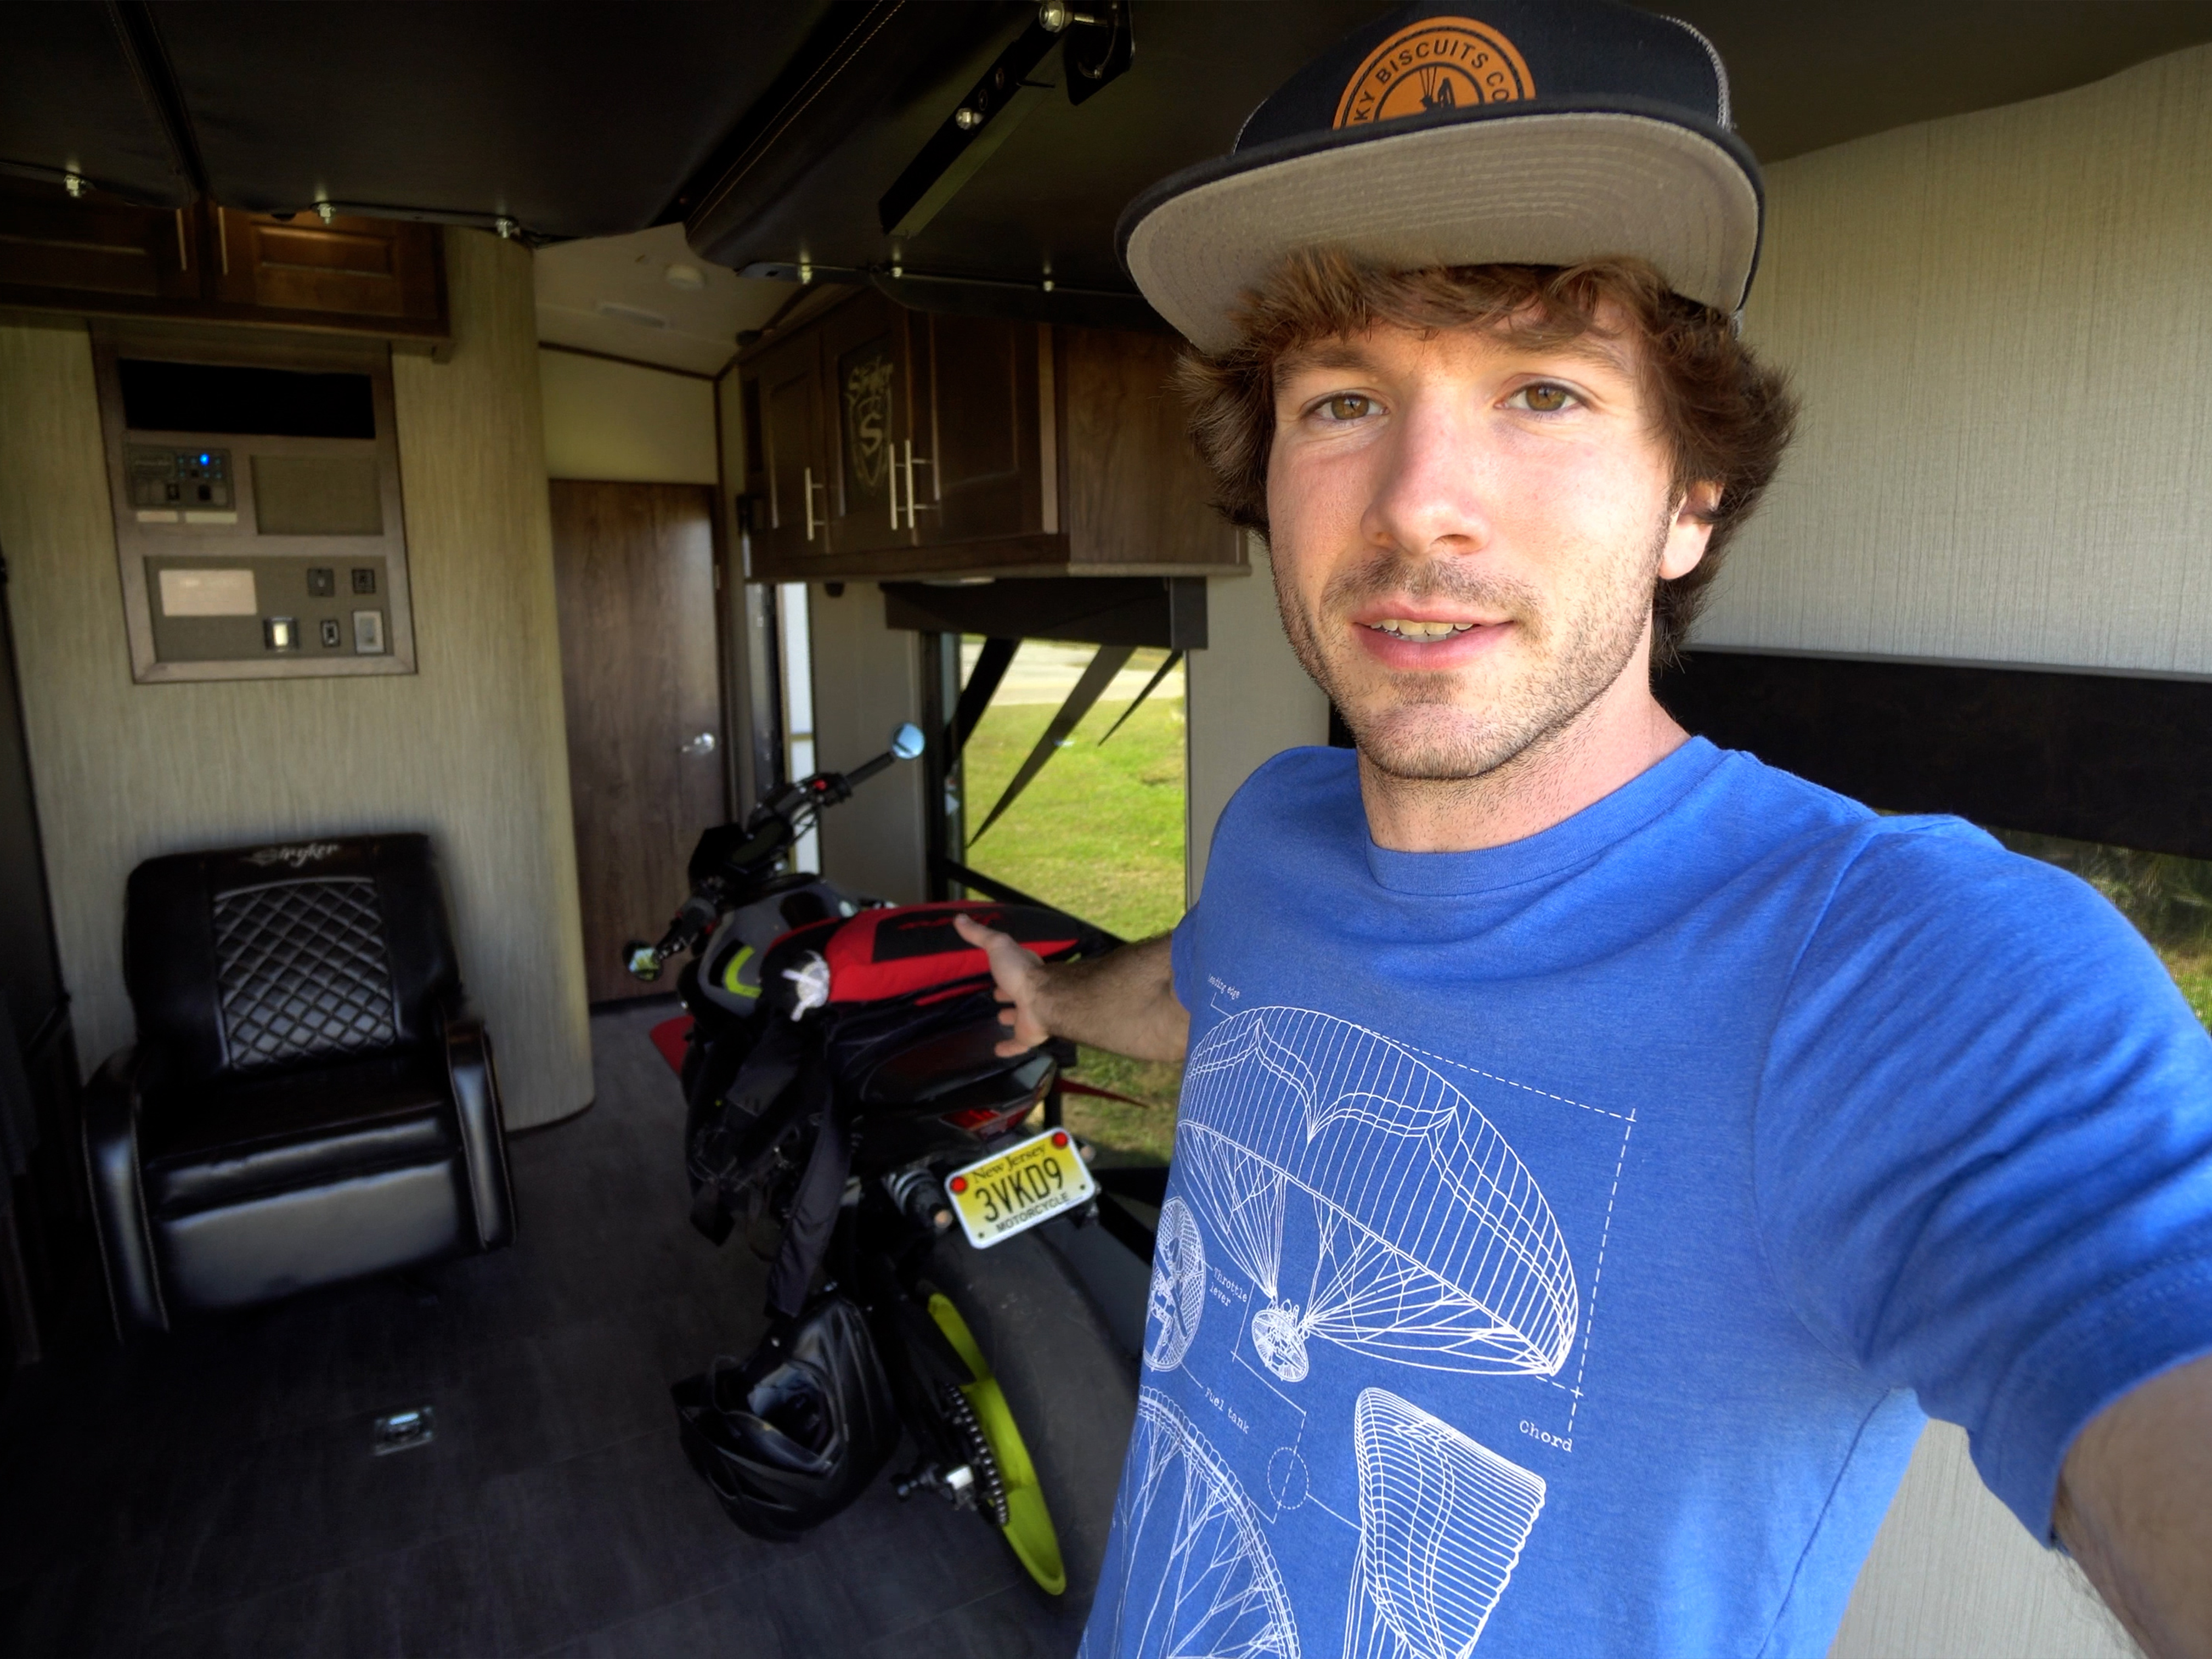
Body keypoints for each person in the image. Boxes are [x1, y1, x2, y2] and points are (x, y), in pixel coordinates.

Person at [952, 2, 2212, 1654]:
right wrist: (1052, 1002)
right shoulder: (1276, 833)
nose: (1417, 501)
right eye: (1341, 401)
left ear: (1691, 500)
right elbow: (1209, 986)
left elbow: (2128, 1299)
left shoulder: (1894, 967)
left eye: (1542, 391)